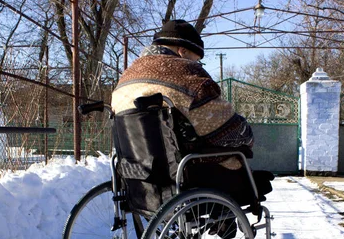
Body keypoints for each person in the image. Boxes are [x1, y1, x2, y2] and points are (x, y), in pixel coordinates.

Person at [111, 19, 273, 210]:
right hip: (185, 179)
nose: (198, 64)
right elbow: (228, 129)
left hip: (140, 179)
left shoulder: (127, 77)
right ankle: (224, 219)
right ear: (183, 51)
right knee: (247, 167)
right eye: (197, 59)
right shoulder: (185, 72)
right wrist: (246, 134)